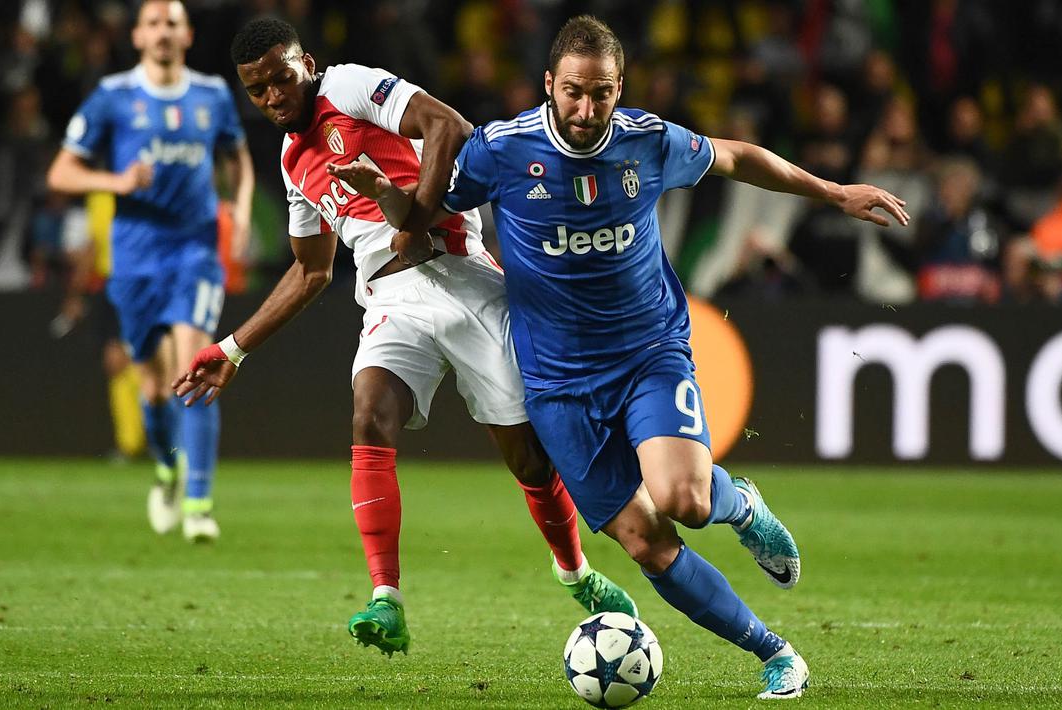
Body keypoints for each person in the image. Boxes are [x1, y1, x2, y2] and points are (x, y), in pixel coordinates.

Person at [331, 15, 909, 699]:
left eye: (601, 93)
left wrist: (833, 191)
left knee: (684, 499)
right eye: (573, 92)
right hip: (554, 385)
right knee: (643, 541)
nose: (585, 109)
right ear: (549, 85)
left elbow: (738, 156)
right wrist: (385, 197)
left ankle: (741, 507)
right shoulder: (500, 151)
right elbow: (425, 218)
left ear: (618, 88)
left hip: (645, 355)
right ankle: (774, 652)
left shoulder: (648, 140)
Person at [172, 18, 635, 657]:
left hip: (466, 278)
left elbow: (450, 128)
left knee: (529, 459)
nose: (275, 96)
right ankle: (385, 597)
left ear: (306, 62)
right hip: (393, 303)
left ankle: (573, 570)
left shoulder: (352, 87)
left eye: (283, 78)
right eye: (259, 90)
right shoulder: (291, 162)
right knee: (369, 416)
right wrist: (232, 348)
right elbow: (311, 271)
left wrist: (412, 218)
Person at [46, 0, 255, 543]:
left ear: (186, 35)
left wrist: (244, 211)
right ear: (138, 36)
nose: (163, 32)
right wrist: (117, 183)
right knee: (156, 388)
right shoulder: (113, 97)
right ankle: (166, 472)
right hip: (135, 259)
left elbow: (239, 159)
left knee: (196, 363)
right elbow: (62, 172)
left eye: (173, 23)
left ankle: (200, 504)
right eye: (154, 23)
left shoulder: (211, 95)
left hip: (195, 251)